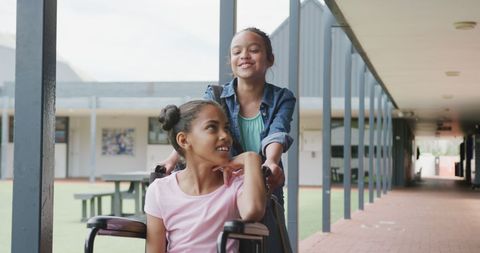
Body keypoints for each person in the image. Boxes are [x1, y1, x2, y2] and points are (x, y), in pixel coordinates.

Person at [159, 27, 296, 252]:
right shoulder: (215, 95)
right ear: (230, 60)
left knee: (269, 242)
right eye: (236, 52)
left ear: (270, 59)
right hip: (225, 181)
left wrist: (271, 160)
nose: (244, 56)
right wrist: (171, 159)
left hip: (261, 181)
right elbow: (194, 128)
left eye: (254, 50)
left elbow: (277, 132)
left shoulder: (282, 97)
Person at [144, 100, 266, 253]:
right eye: (212, 128)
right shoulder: (159, 190)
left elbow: (253, 211)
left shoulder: (235, 183)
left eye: (226, 129)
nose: (225, 136)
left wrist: (251, 159)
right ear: (184, 140)